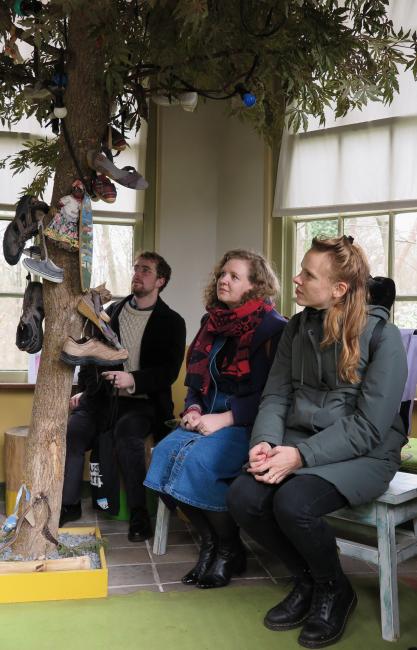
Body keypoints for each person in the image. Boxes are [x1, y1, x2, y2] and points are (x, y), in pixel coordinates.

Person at [228, 236, 408, 649]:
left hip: (366, 452)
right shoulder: (298, 327)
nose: (295, 278)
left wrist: (300, 455)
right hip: (298, 440)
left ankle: (334, 590)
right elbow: (276, 395)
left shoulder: (384, 338)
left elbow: (368, 427)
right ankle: (307, 580)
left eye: (308, 274)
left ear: (339, 288)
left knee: (294, 504)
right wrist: (267, 441)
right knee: (243, 497)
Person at [144, 249, 287, 588]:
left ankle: (225, 549)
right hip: (205, 416)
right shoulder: (211, 323)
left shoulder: (274, 328)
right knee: (161, 455)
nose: (223, 279)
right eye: (223, 274)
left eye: (234, 276)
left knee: (198, 463)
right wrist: (193, 409)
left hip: (248, 424)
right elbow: (196, 382)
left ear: (254, 286)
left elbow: (274, 394)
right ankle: (216, 544)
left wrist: (225, 419)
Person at [60, 251, 186, 542]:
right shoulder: (110, 313)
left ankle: (139, 514)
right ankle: (70, 504)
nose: (137, 274)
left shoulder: (172, 322)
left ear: (160, 281)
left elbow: (168, 372)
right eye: (136, 268)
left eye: (146, 270)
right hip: (102, 399)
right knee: (73, 433)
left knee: (127, 438)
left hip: (142, 404)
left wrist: (133, 380)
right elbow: (90, 357)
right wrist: (84, 394)